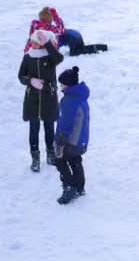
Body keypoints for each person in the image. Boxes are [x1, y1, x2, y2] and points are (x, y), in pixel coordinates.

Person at [18, 30, 64, 172]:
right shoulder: (28, 57)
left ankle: (50, 154)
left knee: (49, 128)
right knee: (34, 129)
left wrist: (47, 44)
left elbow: (59, 58)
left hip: (48, 97)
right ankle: (35, 158)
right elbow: (21, 76)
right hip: (32, 99)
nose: (34, 44)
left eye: (38, 42)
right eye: (33, 41)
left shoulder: (50, 57)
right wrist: (30, 80)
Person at [54, 66, 90, 205]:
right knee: (75, 161)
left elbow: (66, 122)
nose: (60, 86)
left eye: (62, 84)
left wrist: (60, 139)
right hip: (81, 140)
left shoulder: (69, 100)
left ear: (68, 85)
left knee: (60, 160)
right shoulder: (80, 96)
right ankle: (80, 188)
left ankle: (69, 188)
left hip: (70, 141)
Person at [24, 7, 108, 56]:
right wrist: (56, 17)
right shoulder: (44, 28)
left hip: (74, 37)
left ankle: (102, 47)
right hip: (72, 35)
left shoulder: (45, 28)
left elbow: (60, 30)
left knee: (76, 52)